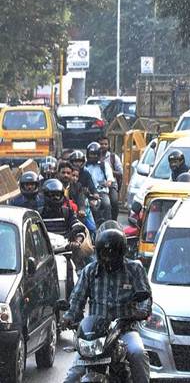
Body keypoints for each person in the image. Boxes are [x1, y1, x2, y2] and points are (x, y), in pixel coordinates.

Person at [61, 223, 152, 383]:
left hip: (124, 331)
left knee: (137, 353)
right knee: (73, 376)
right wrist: (68, 317)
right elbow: (77, 298)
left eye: (112, 254)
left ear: (121, 253)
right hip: (95, 336)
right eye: (104, 254)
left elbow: (145, 297)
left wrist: (142, 311)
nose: (108, 258)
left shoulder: (134, 269)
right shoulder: (90, 271)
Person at [38, 178, 90, 269]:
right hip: (44, 257)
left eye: (58, 195)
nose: (55, 198)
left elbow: (77, 226)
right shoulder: (39, 214)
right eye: (52, 195)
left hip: (65, 254)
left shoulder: (67, 212)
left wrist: (77, 241)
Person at [84, 142, 116, 224]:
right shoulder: (85, 167)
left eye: (95, 154)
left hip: (101, 192)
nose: (93, 156)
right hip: (88, 192)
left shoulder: (104, 165)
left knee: (107, 204)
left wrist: (108, 182)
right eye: (91, 154)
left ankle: (108, 224)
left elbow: (110, 178)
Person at [99, 136, 123, 219]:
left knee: (114, 201)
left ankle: (114, 220)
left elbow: (120, 173)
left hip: (111, 183)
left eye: (105, 144)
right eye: (101, 144)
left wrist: (108, 170)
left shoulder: (113, 157)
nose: (103, 146)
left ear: (109, 145)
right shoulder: (94, 156)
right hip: (98, 183)